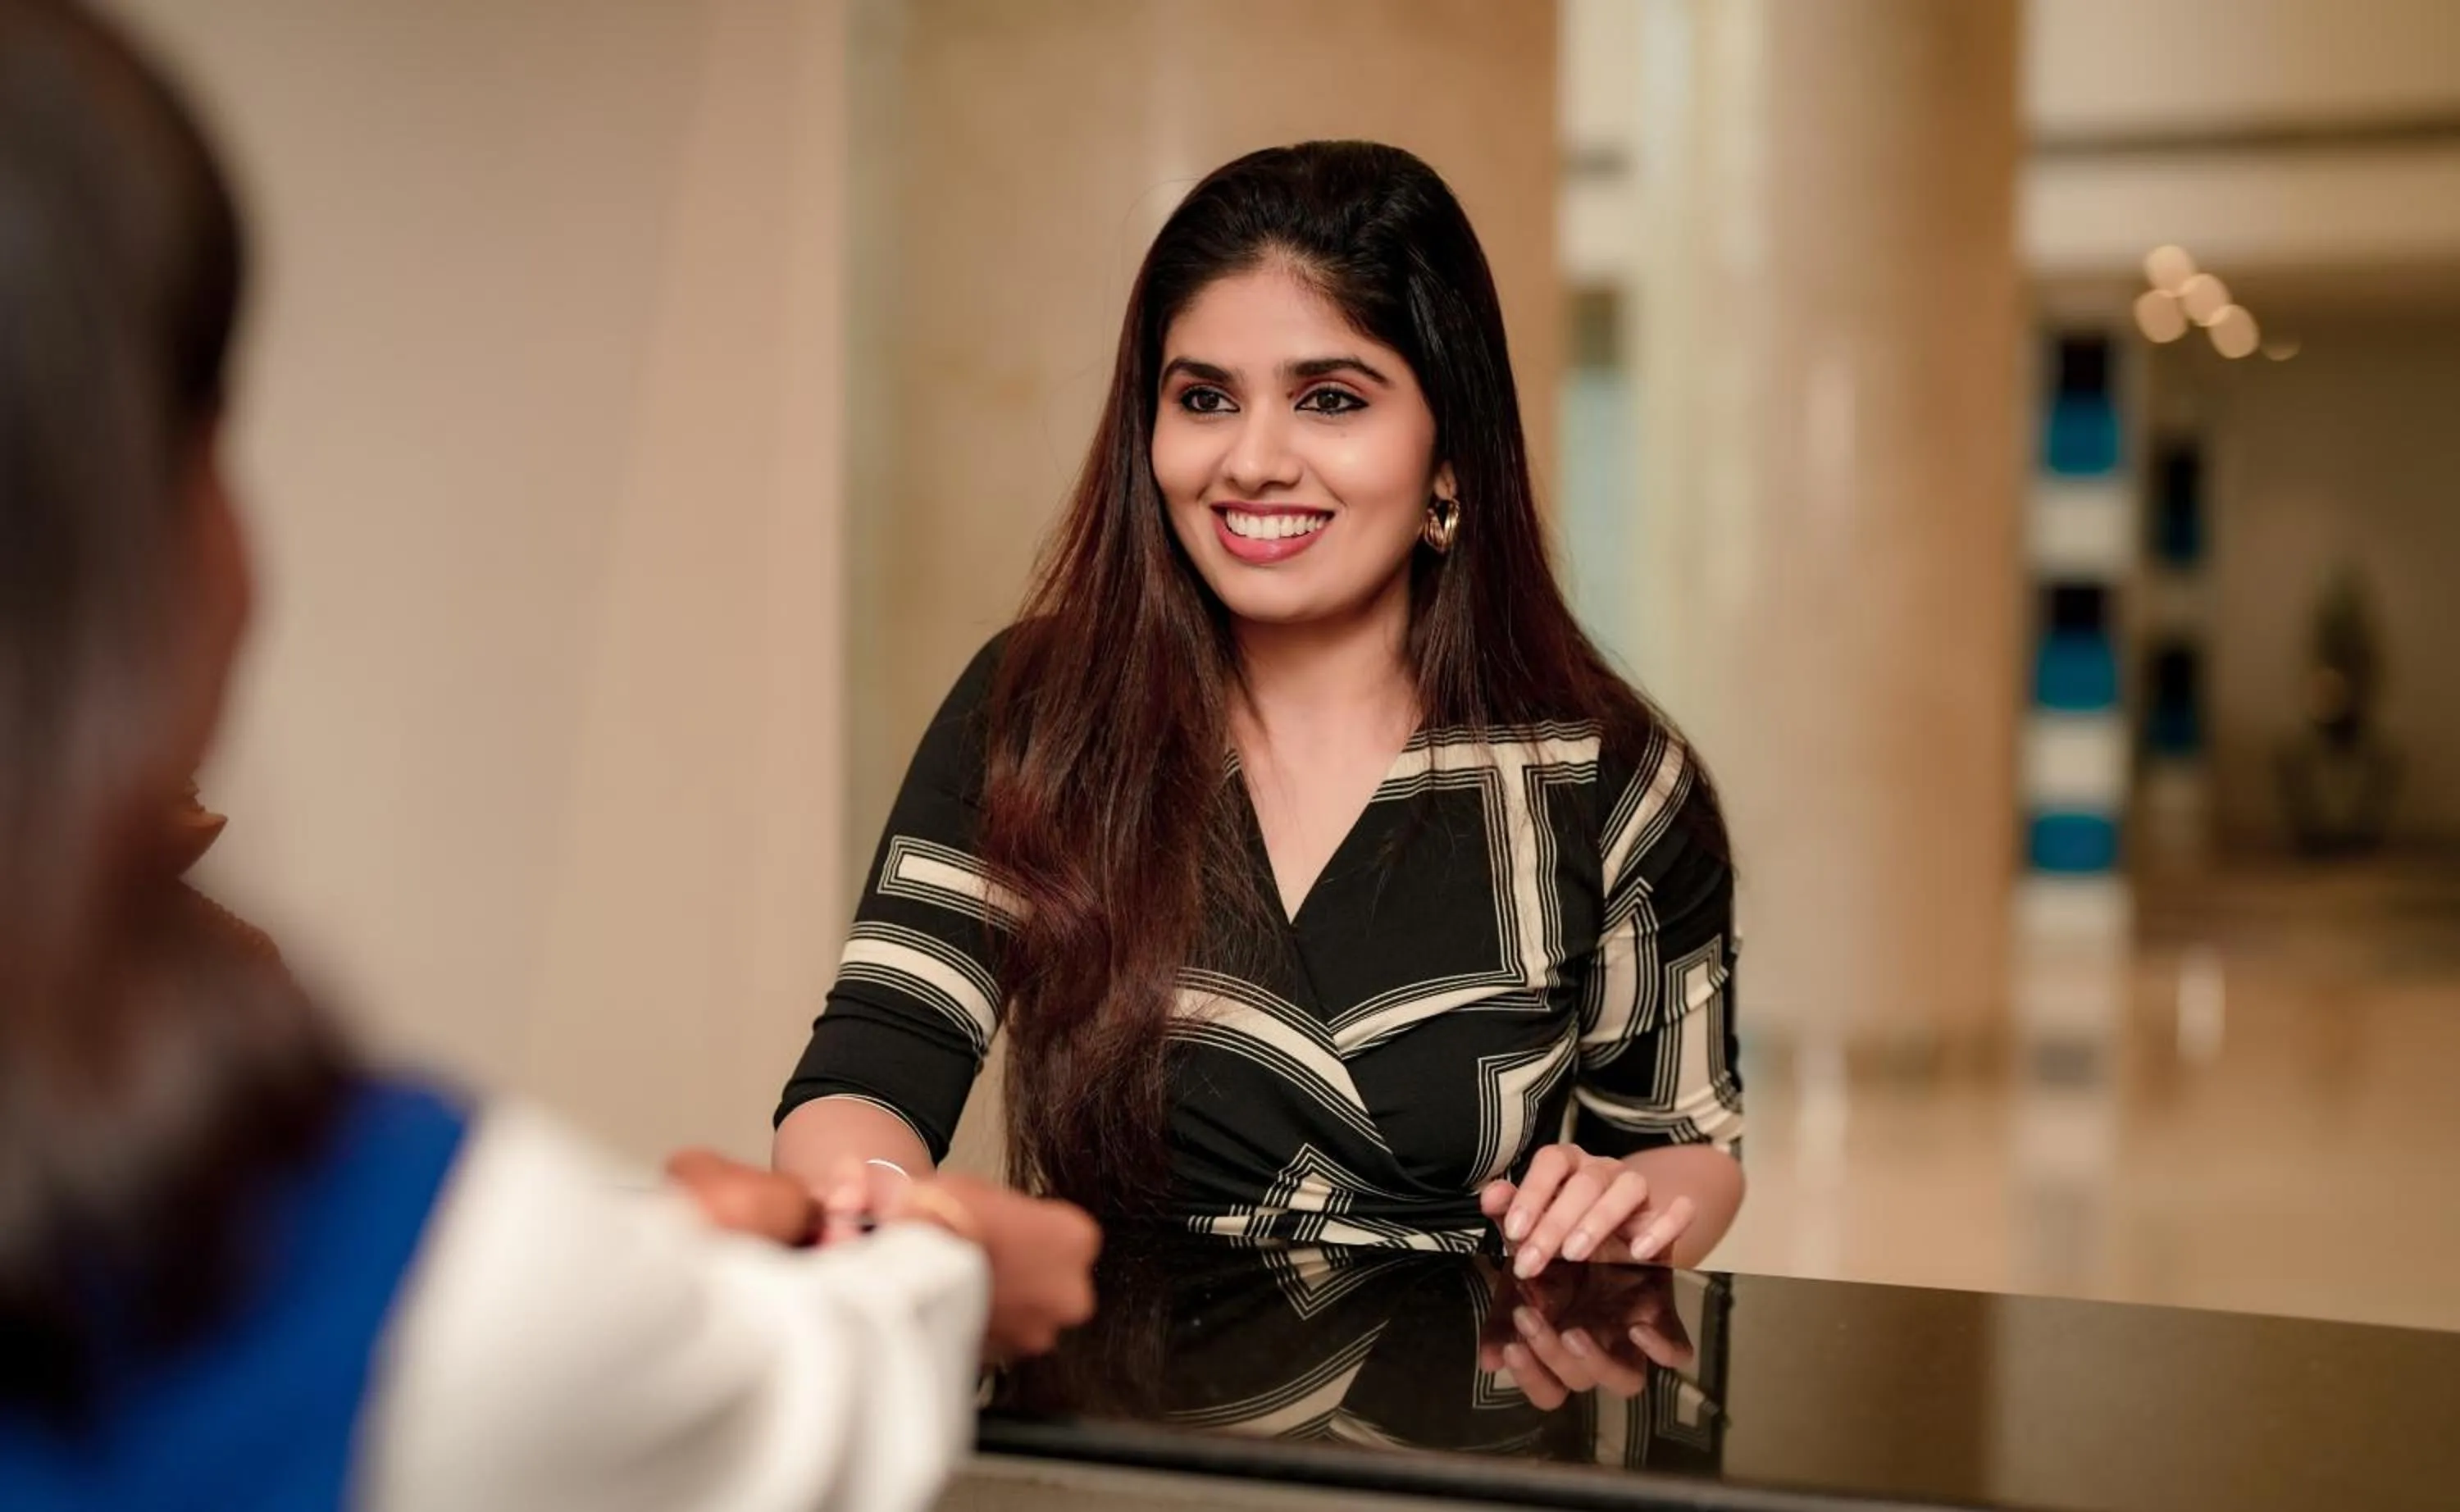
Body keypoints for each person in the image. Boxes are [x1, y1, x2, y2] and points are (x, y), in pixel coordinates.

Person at [0, 6, 1096, 1509]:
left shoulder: (1544, 750)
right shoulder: (390, 1273)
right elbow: (731, 1358)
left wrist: (647, 1255)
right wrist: (942, 1259)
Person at [776, 140, 1744, 1278]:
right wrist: (885, 1209)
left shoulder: (1608, 775)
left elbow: (1683, 1143)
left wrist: (1621, 1203)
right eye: (1204, 399)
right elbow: (872, 1069)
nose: (1253, 459)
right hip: (1108, 1428)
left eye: (1330, 399)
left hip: (1465, 1424)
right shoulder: (1043, 711)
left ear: (1450, 453)